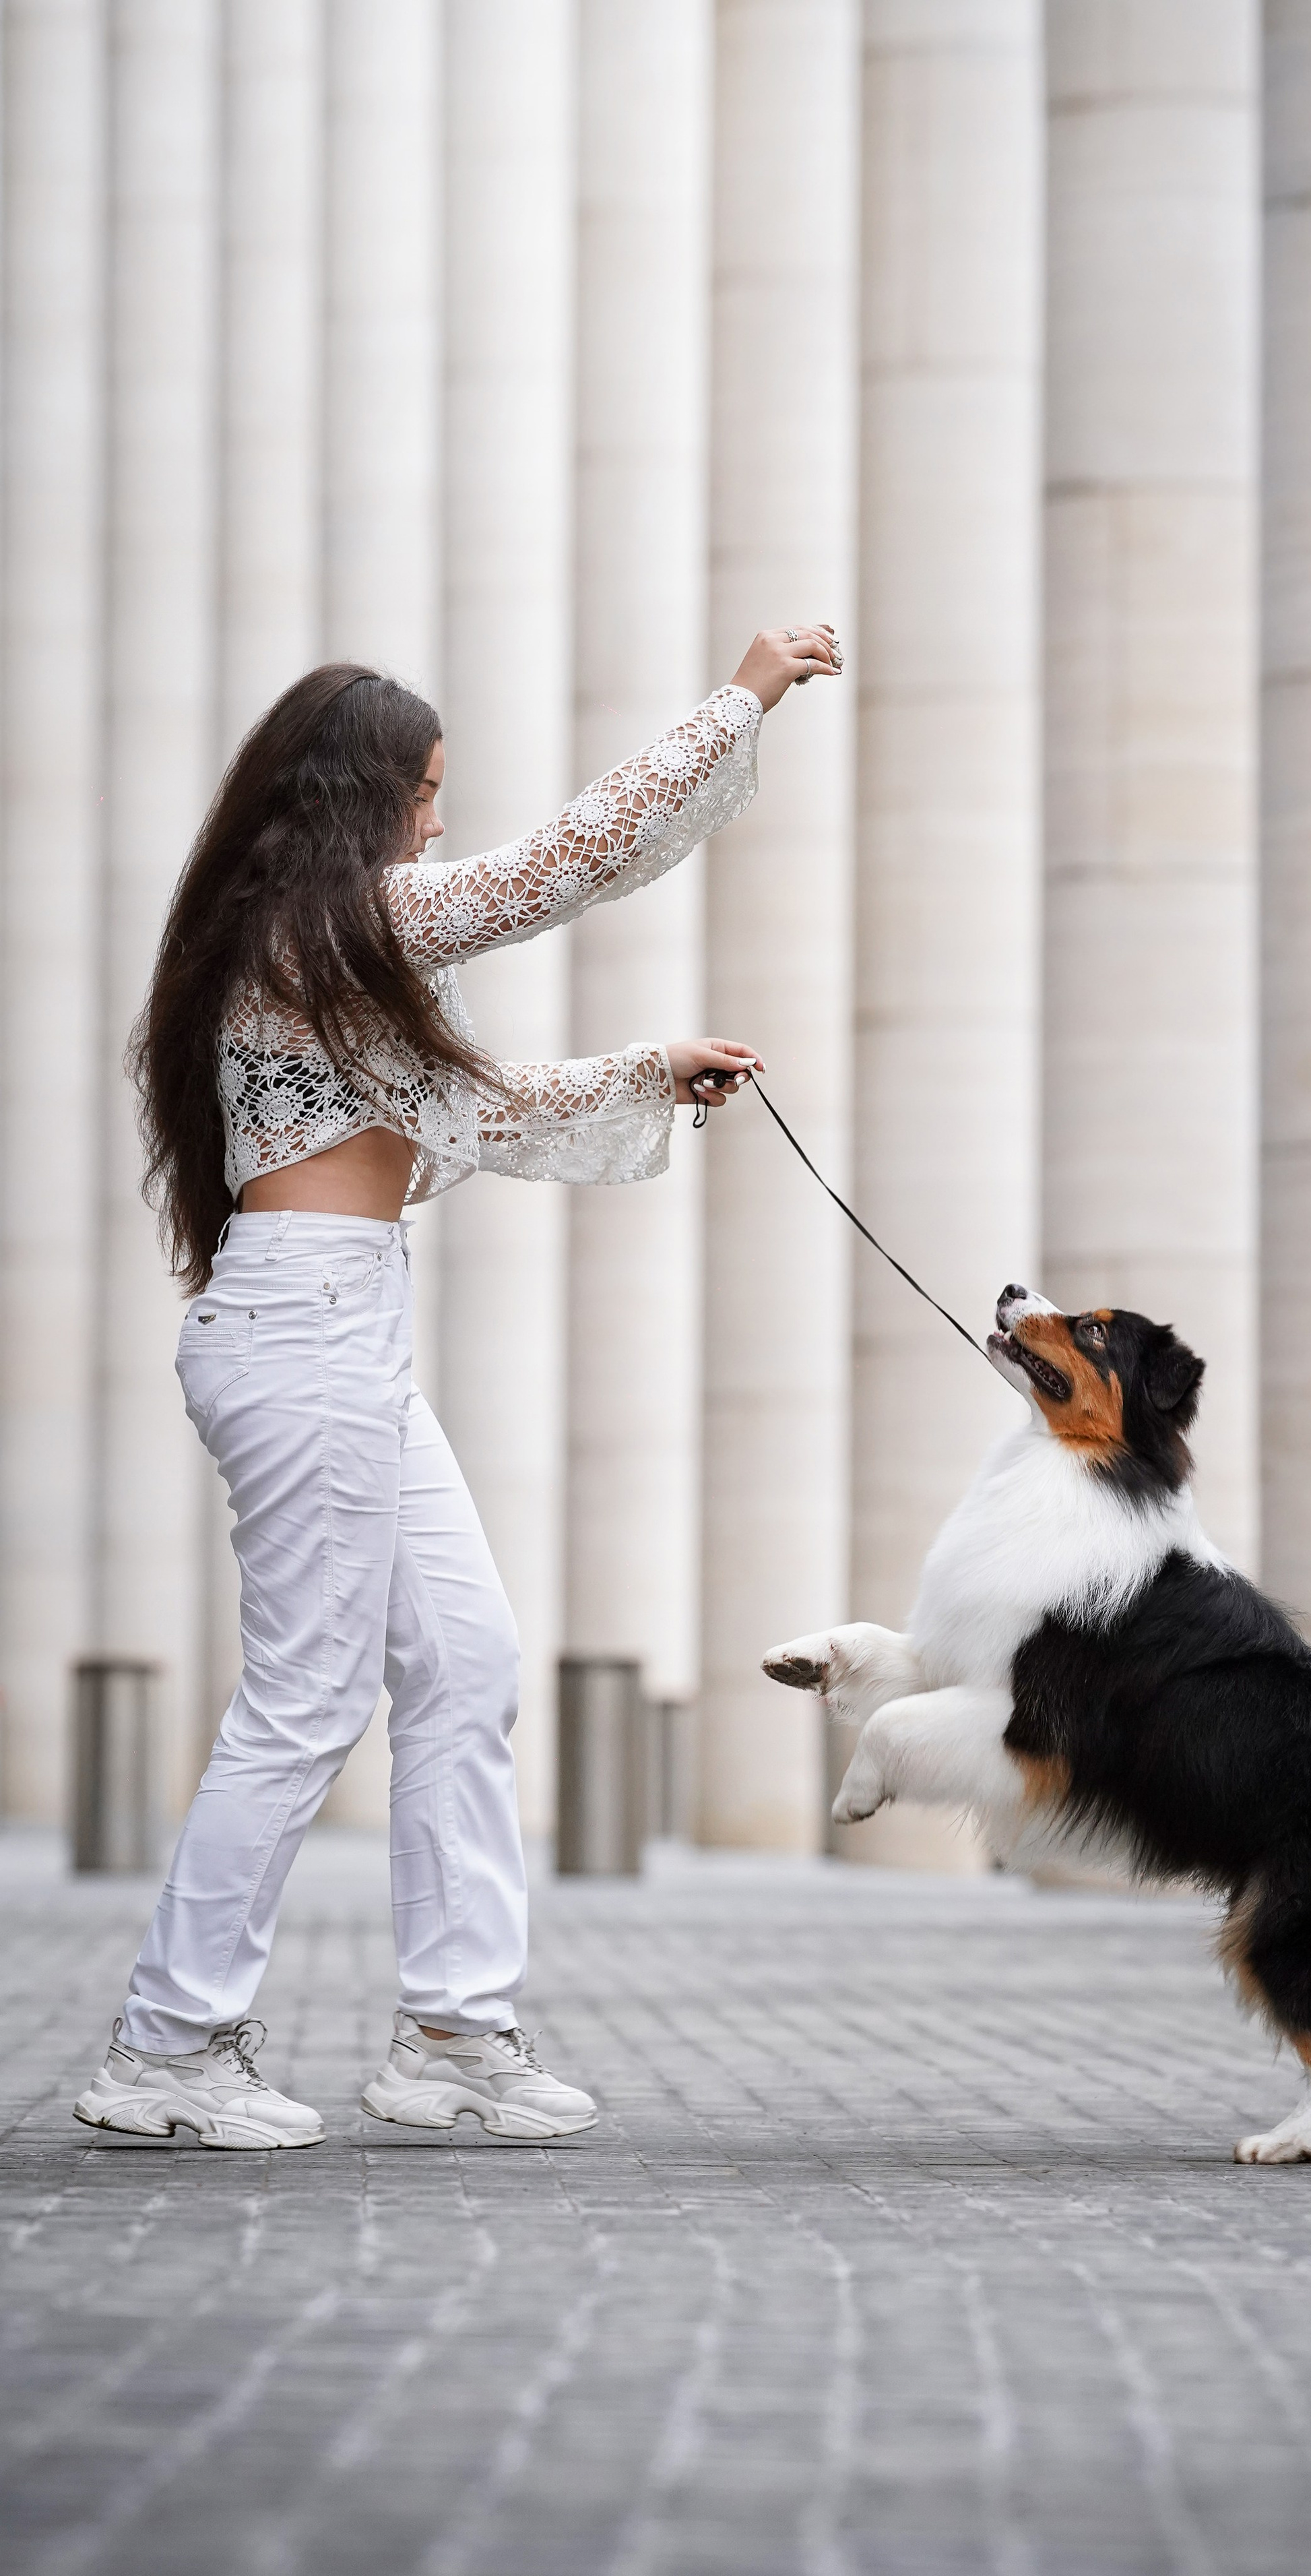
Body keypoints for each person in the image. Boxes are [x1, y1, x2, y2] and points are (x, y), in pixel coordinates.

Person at [73, 623, 842, 2149]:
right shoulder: (331, 927)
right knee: (304, 1700)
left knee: (468, 1660)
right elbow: (567, 861)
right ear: (362, 797)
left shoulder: (315, 945)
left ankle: (453, 2034)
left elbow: (470, 1105)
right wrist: (744, 697)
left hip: (338, 1325)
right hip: (305, 1329)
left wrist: (647, 1067)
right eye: (423, 791)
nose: (436, 820)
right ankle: (167, 2047)